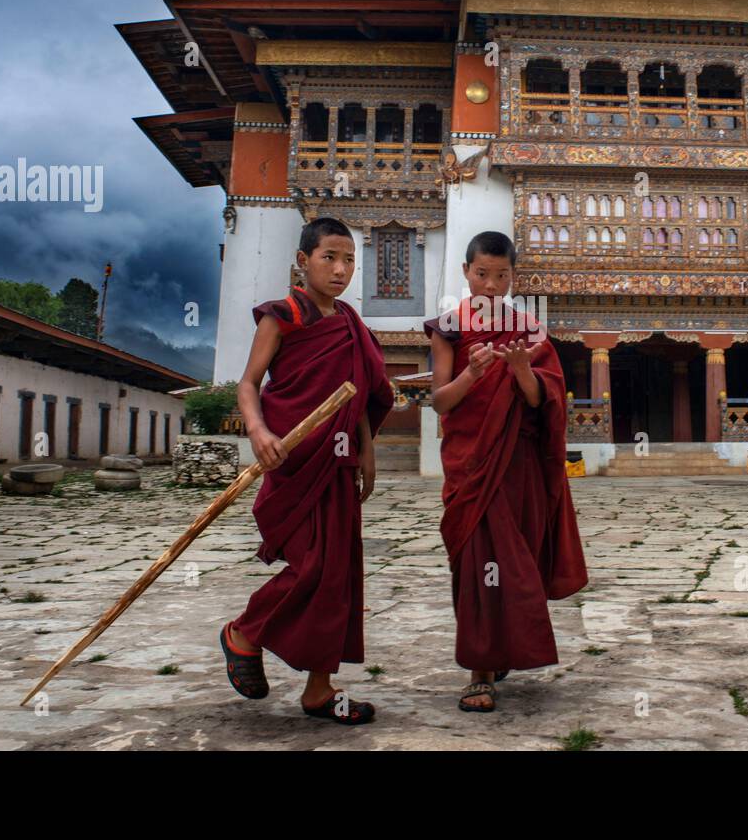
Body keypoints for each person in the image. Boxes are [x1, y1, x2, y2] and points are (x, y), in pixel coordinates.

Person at [220, 217, 394, 724]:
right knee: (311, 567)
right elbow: (249, 384)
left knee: (339, 576)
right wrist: (257, 431)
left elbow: (359, 394)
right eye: (329, 258)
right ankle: (244, 633)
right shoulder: (283, 316)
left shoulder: (350, 324)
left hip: (338, 464)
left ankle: (320, 689)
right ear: (303, 261)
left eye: (349, 261)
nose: (340, 270)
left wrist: (367, 449)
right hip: (293, 459)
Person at [424, 230, 588, 712]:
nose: (491, 285)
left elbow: (545, 402)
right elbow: (439, 402)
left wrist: (520, 372)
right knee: (478, 562)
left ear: (514, 277)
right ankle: (479, 670)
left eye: (502, 276)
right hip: (471, 464)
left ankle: (500, 651)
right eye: (482, 275)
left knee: (513, 562)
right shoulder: (447, 329)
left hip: (516, 466)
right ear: (466, 273)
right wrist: (472, 374)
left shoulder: (529, 332)